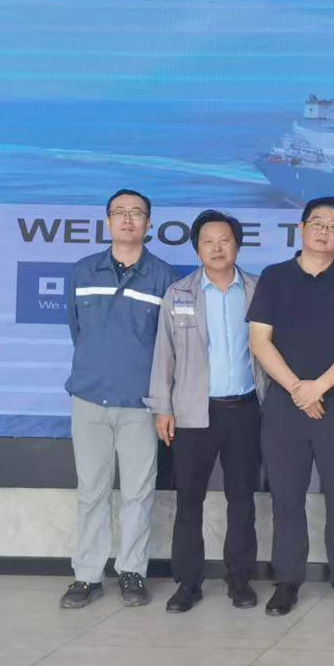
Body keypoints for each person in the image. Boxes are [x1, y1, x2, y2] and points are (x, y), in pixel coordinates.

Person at [247, 197, 334, 616]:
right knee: (286, 497)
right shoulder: (274, 277)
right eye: (317, 223)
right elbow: (259, 341)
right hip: (285, 406)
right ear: (301, 228)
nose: (324, 231)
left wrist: (318, 387)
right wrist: (297, 390)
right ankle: (287, 581)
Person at [147, 211, 268, 613]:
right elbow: (164, 354)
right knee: (189, 501)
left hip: (245, 410)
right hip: (193, 413)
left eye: (225, 240)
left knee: (242, 500)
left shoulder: (257, 290)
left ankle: (240, 579)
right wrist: (162, 408)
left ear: (237, 245)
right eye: (208, 242)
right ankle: (188, 583)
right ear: (197, 248)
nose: (217, 248)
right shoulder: (178, 293)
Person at [59, 189, 175, 609]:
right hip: (89, 399)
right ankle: (87, 576)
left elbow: (168, 346)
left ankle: (131, 572)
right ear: (107, 221)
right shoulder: (82, 271)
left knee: (138, 494)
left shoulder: (164, 277)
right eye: (119, 213)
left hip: (139, 405)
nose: (128, 219)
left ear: (149, 223)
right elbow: (77, 331)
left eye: (136, 213)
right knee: (91, 491)